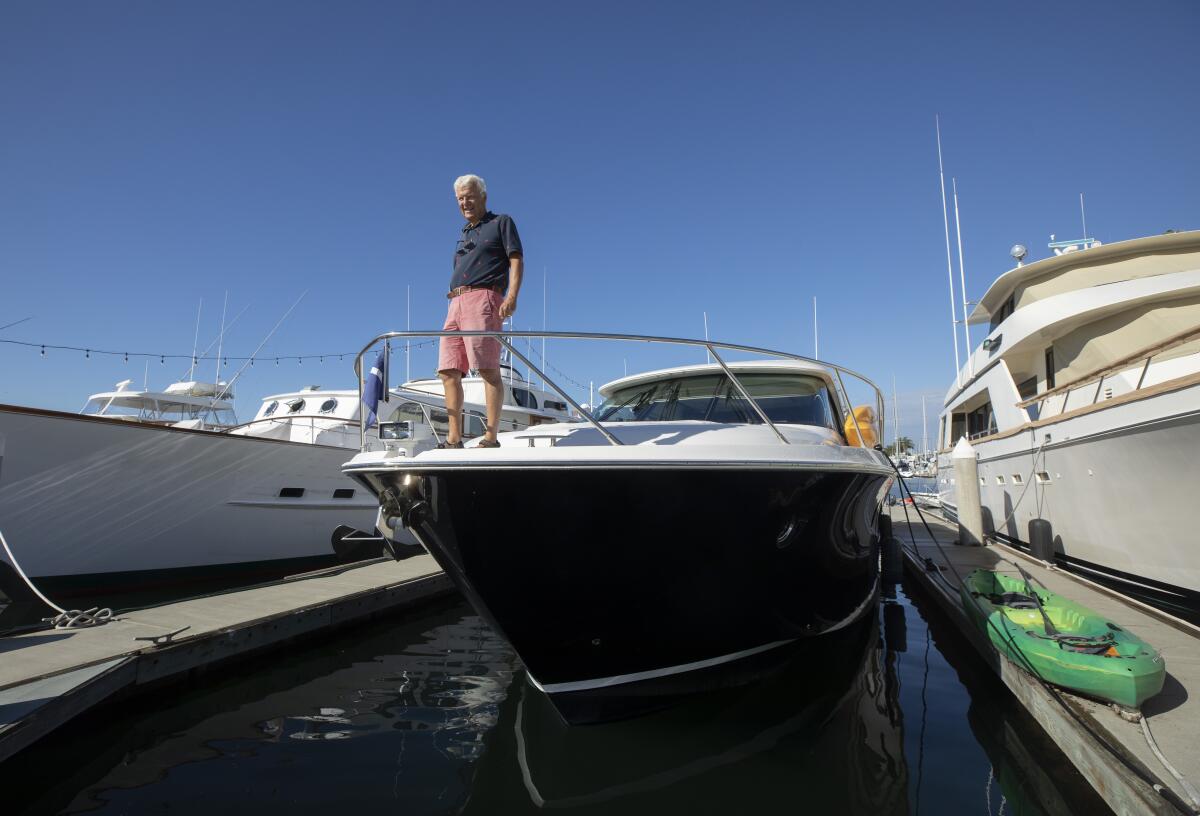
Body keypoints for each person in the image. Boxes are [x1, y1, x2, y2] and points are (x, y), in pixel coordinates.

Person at [437, 174, 523, 448]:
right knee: (448, 370)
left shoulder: (501, 222)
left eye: (469, 196)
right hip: (455, 302)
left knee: (487, 369)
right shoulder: (464, 234)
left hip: (484, 298)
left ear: (483, 196)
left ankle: (491, 436)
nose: (465, 202)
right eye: (460, 199)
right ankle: (454, 437)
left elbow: (516, 258)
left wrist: (511, 296)